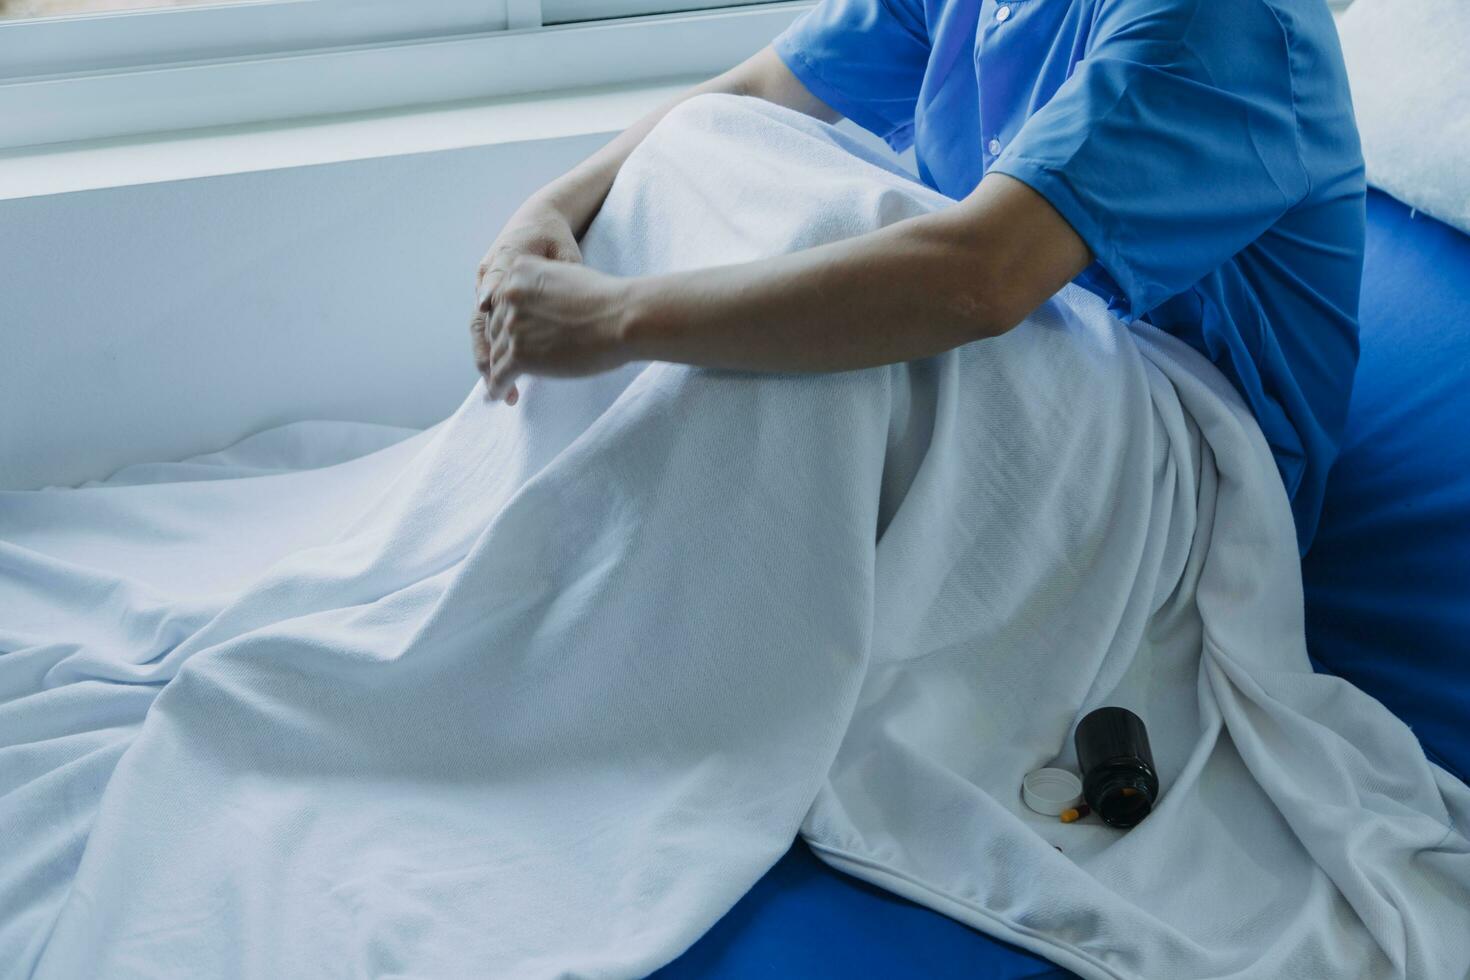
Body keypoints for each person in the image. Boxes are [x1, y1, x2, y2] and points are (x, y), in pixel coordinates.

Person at [468, 0, 1364, 552]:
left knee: (853, 241)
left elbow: (978, 278)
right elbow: (751, 97)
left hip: (1191, 490)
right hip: (1032, 372)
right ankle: (552, 550)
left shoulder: (1221, 19)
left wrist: (616, 321)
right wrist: (549, 208)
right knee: (710, 148)